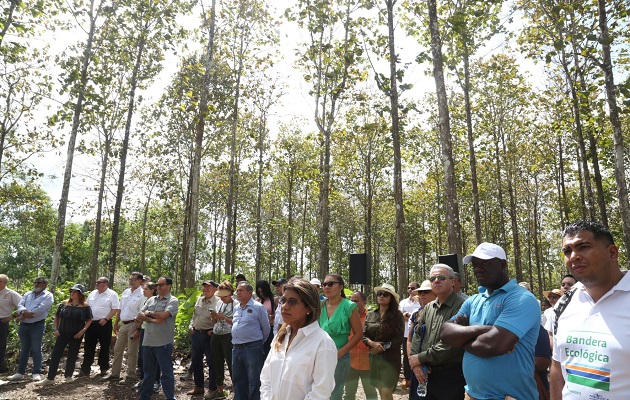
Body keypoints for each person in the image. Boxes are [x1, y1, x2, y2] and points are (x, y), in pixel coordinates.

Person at [440, 242, 540, 400]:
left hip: (510, 397)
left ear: (502, 264)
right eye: (475, 264)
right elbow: (445, 333)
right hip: (471, 395)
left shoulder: (521, 299)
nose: (478, 268)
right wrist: (485, 330)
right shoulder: (473, 300)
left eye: (485, 263)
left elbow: (492, 345)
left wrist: (462, 339)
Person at [551, 221, 630, 399]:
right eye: (567, 251)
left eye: (583, 247)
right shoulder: (564, 303)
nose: (573, 256)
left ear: (612, 253)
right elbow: (557, 366)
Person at [260, 278, 337, 399]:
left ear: (309, 308)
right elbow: (266, 378)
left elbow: (320, 393)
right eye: (283, 300)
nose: (284, 306)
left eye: (292, 301)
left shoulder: (323, 344)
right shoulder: (281, 336)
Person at [409, 264, 466, 400]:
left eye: (441, 277)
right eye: (432, 278)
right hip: (425, 372)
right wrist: (416, 362)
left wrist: (420, 358)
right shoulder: (429, 307)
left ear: (452, 281)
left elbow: (452, 343)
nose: (436, 281)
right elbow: (417, 334)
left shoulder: (462, 307)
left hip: (450, 375)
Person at [36, 284, 93, 385]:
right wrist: (55, 329)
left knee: (72, 355)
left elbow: (89, 319)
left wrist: (83, 330)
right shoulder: (64, 304)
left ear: (80, 294)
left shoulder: (85, 307)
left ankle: (68, 376)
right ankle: (50, 378)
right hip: (62, 333)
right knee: (56, 354)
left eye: (75, 292)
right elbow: (57, 316)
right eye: (71, 291)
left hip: (76, 335)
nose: (72, 293)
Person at [319, 273, 363, 400]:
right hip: (320, 356)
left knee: (334, 394)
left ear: (341, 287)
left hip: (340, 358)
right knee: (320, 392)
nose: (327, 287)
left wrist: (340, 353)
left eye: (331, 283)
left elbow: (358, 334)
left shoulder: (349, 306)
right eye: (324, 284)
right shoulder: (320, 306)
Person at [136, 276, 179, 400]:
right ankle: (145, 396)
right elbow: (140, 314)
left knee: (166, 373)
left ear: (169, 286)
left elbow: (165, 315)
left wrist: (148, 313)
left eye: (161, 285)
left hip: (163, 343)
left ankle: (170, 397)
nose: (158, 287)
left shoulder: (172, 300)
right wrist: (153, 319)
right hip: (148, 342)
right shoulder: (151, 300)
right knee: (148, 373)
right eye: (157, 285)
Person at [362, 283, 404, 400]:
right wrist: (372, 344)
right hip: (374, 360)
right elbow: (363, 336)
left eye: (385, 294)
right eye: (379, 294)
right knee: (381, 391)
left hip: (390, 359)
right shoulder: (370, 315)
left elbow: (399, 338)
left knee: (386, 391)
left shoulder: (397, 315)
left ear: (391, 299)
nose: (381, 296)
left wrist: (380, 347)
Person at [9, 276, 53, 381]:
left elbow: (40, 309)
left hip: (37, 325)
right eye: (35, 282)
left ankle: (36, 372)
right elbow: (20, 305)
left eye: (39, 282)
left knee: (36, 349)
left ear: (45, 284)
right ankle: (20, 372)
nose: (36, 284)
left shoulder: (48, 295)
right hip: (24, 325)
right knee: (24, 349)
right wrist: (24, 312)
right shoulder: (28, 294)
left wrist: (25, 315)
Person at [231, 281, 270, 400]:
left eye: (241, 290)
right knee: (238, 378)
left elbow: (266, 329)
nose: (238, 293)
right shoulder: (236, 308)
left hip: (252, 348)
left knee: (255, 379)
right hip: (236, 348)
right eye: (237, 290)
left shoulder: (258, 307)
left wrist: (257, 343)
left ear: (249, 292)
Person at [103, 271, 144, 383]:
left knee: (132, 351)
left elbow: (142, 312)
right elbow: (120, 308)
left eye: (133, 279)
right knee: (117, 349)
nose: (130, 281)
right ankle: (115, 374)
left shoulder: (142, 294)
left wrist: (138, 328)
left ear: (140, 281)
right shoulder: (126, 292)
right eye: (130, 279)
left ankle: (131, 376)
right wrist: (116, 323)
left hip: (134, 324)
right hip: (123, 324)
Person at [80, 277, 119, 377]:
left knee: (104, 346)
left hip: (104, 324)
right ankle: (85, 369)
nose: (96, 284)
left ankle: (103, 368)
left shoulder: (112, 294)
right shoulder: (93, 293)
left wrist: (106, 319)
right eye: (96, 282)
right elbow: (86, 306)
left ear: (105, 284)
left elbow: (115, 309)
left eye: (98, 282)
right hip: (91, 324)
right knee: (89, 346)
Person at [187, 280, 219, 397]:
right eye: (204, 287)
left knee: (212, 362)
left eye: (208, 287)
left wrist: (214, 330)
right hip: (196, 334)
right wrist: (191, 326)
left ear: (215, 289)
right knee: (196, 361)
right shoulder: (200, 299)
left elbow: (221, 319)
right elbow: (194, 316)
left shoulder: (218, 302)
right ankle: (199, 386)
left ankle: (213, 388)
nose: (205, 289)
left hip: (209, 335)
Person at [344, 291, 377, 400]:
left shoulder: (372, 317)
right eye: (351, 301)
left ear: (364, 302)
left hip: (368, 363)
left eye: (356, 301)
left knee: (371, 393)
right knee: (348, 394)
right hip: (350, 362)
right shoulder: (345, 317)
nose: (352, 303)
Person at [406, 280, 436, 396]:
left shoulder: (441, 314)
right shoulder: (415, 314)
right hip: (416, 366)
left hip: (432, 366)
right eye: (421, 292)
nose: (422, 294)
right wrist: (413, 363)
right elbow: (409, 340)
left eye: (426, 292)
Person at [212, 281, 237, 399]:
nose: (222, 298)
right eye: (221, 296)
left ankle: (237, 389)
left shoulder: (236, 304)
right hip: (217, 334)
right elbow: (216, 321)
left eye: (225, 296)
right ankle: (220, 389)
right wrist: (215, 317)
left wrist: (225, 318)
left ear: (231, 293)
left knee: (231, 362)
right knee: (217, 361)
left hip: (229, 335)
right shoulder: (219, 304)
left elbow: (237, 322)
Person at [134, 281, 161, 393]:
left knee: (156, 357)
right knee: (142, 356)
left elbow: (151, 315)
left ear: (152, 290)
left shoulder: (156, 301)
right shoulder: (143, 300)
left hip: (155, 331)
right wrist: (139, 326)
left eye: (145, 289)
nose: (143, 291)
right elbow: (140, 314)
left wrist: (145, 316)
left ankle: (156, 381)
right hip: (144, 329)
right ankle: (143, 379)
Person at [399, 281, 421, 389]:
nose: (410, 290)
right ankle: (407, 379)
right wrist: (404, 315)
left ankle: (417, 378)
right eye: (409, 288)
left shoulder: (420, 301)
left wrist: (409, 315)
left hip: (418, 335)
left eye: (412, 288)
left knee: (417, 355)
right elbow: (399, 315)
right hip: (405, 334)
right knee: (406, 357)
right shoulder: (403, 302)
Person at [0, 274, 22, 373]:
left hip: (2, 321)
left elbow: (23, 305)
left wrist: (12, 317)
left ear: (4, 283)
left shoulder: (10, 293)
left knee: (1, 346)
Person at [255, 280, 276, 357]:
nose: (261, 293)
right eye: (259, 291)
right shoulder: (257, 300)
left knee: (267, 351)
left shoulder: (274, 300)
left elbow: (278, 315)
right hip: (258, 329)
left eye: (262, 291)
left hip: (270, 328)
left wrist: (271, 316)